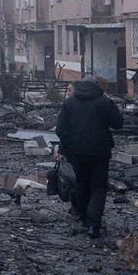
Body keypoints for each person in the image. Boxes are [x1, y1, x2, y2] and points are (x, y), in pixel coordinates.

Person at [55, 77, 125, 238]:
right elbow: (118, 123)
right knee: (98, 187)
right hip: (100, 152)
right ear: (97, 87)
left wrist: (69, 146)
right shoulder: (103, 101)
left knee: (81, 185)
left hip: (77, 152)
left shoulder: (69, 103)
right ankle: (94, 225)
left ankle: (83, 219)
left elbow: (60, 130)